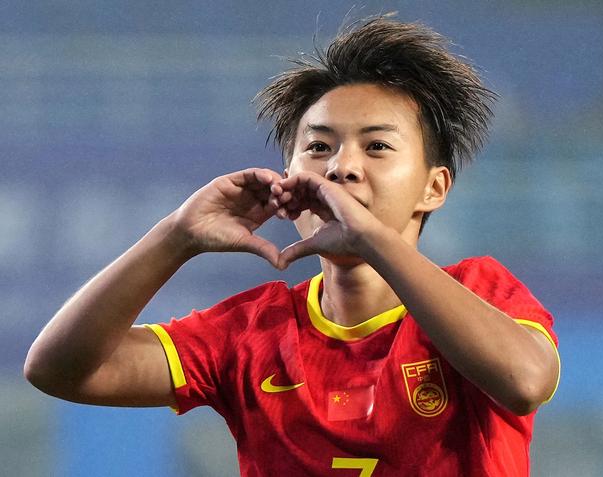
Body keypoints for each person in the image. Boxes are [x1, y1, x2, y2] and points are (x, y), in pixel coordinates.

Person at [25, 15, 560, 477]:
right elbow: (58, 370)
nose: (341, 167)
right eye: (319, 147)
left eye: (377, 146)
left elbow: (525, 382)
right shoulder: (248, 334)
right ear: (288, 179)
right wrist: (175, 236)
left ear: (434, 188)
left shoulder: (480, 292)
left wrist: (372, 238)